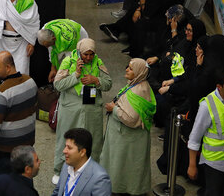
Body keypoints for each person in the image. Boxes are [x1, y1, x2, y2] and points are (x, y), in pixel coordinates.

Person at [52, 38, 112, 184]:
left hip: (91, 110)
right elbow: (58, 85)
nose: (88, 57)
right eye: (85, 54)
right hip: (71, 109)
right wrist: (76, 75)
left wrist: (96, 80)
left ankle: (92, 171)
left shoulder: (98, 63)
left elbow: (108, 84)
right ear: (79, 51)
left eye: (91, 54)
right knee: (66, 140)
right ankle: (59, 170)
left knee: (94, 141)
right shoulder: (68, 62)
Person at [187, 66, 224, 196]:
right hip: (215, 164)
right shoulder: (207, 105)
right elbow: (194, 138)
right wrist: (192, 165)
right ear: (219, 87)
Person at [101, 58, 156, 196]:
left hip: (127, 139)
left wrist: (113, 109)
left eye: (131, 68)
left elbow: (131, 119)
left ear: (138, 72)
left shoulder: (138, 91)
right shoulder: (138, 84)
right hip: (129, 139)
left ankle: (123, 189)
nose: (127, 70)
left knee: (124, 167)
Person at [0, 51, 37, 182]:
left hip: (3, 154)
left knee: (2, 187)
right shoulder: (30, 82)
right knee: (23, 185)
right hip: (26, 149)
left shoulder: (1, 94)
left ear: (8, 67)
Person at [51, 128, 112, 196]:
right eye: (65, 146)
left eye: (69, 148)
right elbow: (57, 192)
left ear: (82, 152)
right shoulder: (66, 165)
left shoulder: (100, 179)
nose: (64, 151)